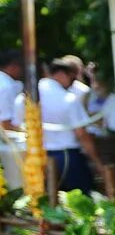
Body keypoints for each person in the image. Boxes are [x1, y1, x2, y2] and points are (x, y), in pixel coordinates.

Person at [32, 55, 99, 192]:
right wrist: (97, 162)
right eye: (72, 78)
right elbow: (82, 134)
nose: (72, 84)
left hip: (38, 156)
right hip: (67, 155)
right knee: (82, 195)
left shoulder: (32, 93)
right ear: (63, 74)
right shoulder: (69, 99)